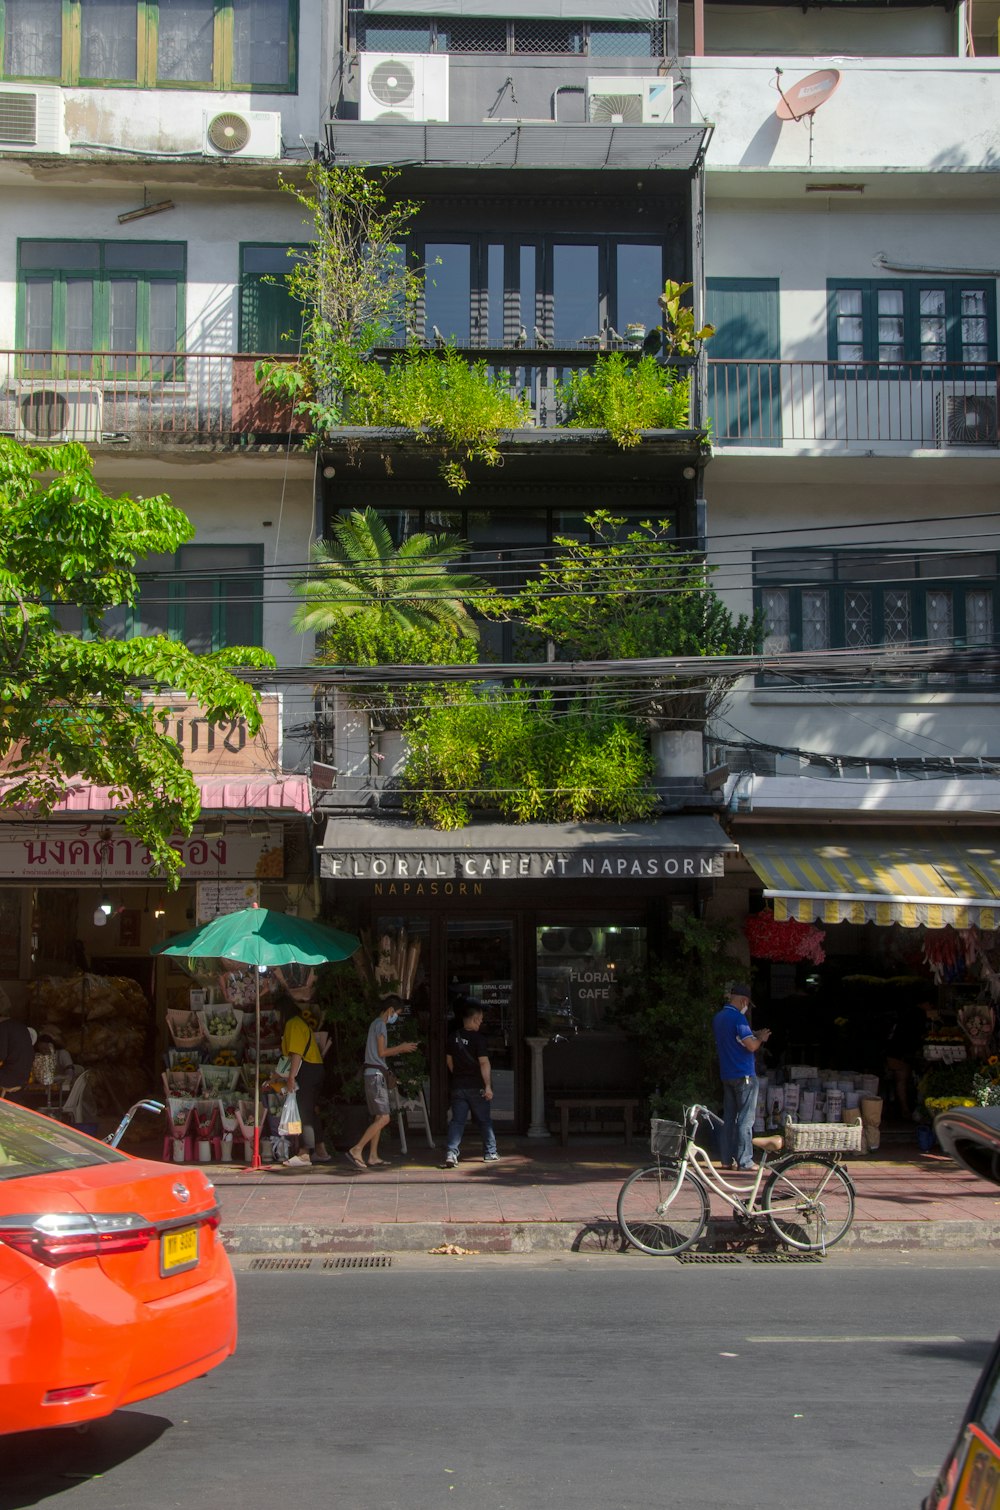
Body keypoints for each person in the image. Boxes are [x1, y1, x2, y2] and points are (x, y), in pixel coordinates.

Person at [346, 995, 418, 1171]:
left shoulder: (375, 1024)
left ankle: (373, 1156)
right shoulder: (380, 1025)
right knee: (384, 1117)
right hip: (376, 1075)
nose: (396, 1018)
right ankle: (357, 1149)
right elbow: (382, 1052)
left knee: (379, 1117)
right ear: (391, 1010)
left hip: (373, 1074)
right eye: (397, 1014)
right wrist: (402, 1048)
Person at [712, 982, 772, 1171]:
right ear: (744, 1000)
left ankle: (726, 1159)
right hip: (744, 1075)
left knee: (729, 1118)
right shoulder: (738, 1019)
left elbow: (733, 1039)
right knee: (745, 1119)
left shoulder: (719, 1017)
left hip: (727, 1073)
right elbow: (751, 1046)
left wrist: (753, 1034)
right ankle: (745, 1160)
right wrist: (761, 1038)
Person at [276, 992, 332, 1168]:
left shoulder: (293, 1024)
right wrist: (278, 1075)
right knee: (311, 1111)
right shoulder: (299, 1023)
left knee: (304, 1112)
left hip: (306, 1071)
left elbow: (296, 1054)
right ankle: (321, 1151)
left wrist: (291, 1077)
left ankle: (304, 1154)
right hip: (315, 1069)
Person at [444, 1001, 499, 1168]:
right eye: (480, 1019)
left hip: (458, 1085)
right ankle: (490, 1152)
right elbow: (484, 1063)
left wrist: (459, 1075)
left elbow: (449, 1062)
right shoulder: (479, 1039)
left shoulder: (452, 1037)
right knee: (484, 1120)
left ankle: (451, 1152)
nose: (481, 1022)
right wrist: (488, 1086)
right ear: (475, 1019)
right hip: (476, 1086)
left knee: (457, 1121)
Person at [0, 1013, 36, 1102]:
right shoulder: (21, 1027)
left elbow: (1, 1055)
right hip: (24, 1078)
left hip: (10, 1078)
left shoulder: (3, 1027)